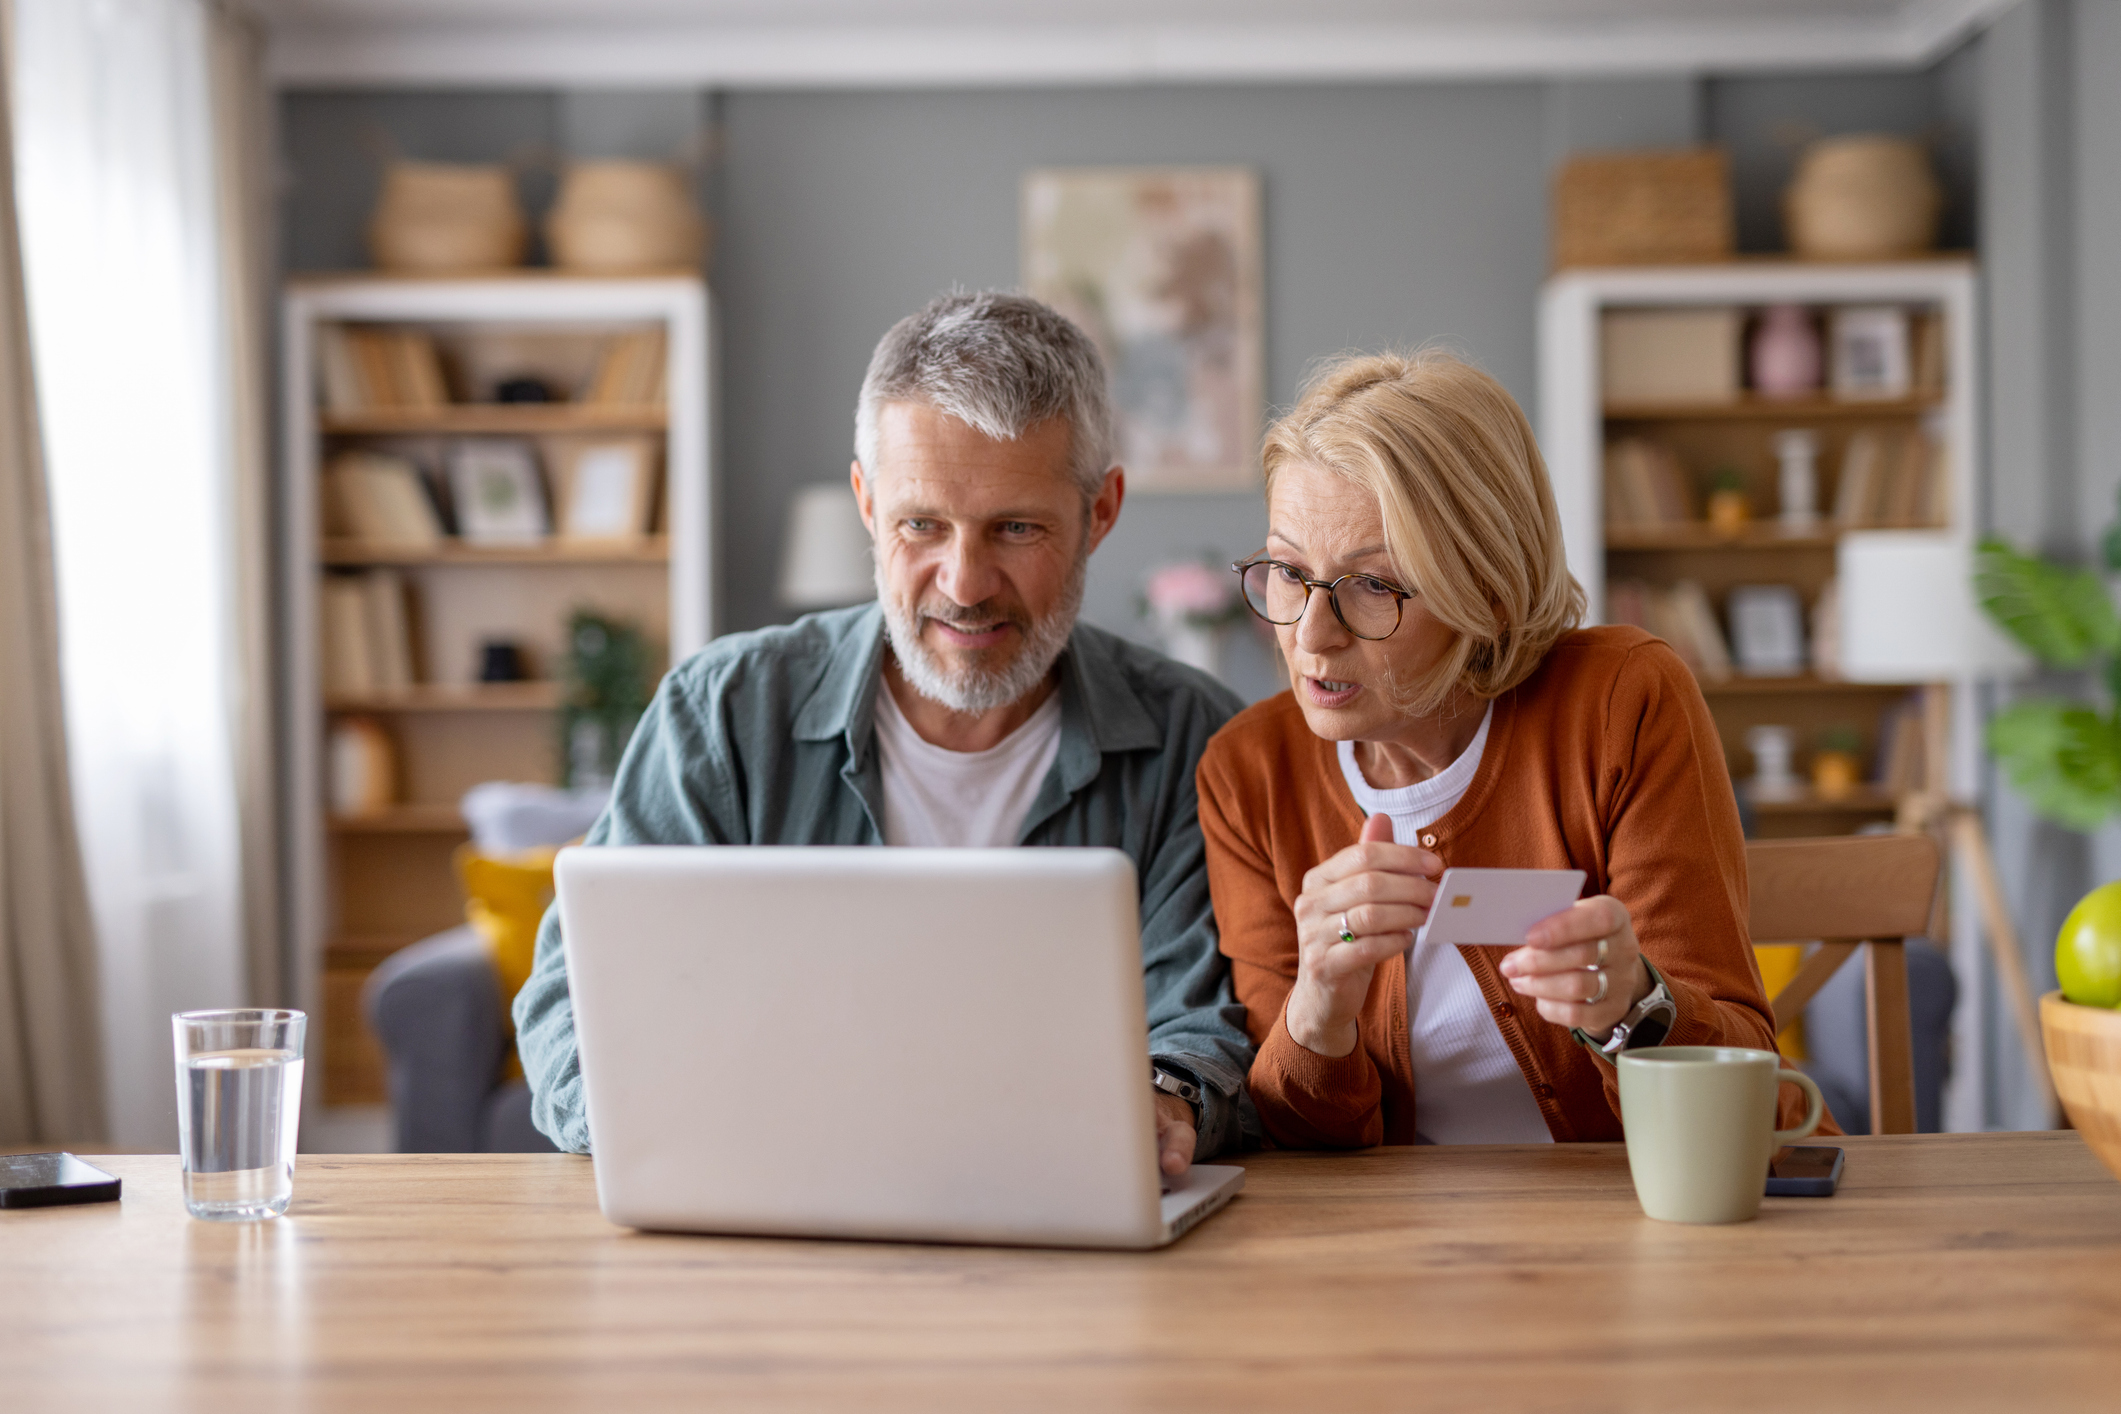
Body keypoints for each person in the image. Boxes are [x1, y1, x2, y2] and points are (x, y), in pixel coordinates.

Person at [514, 291, 1256, 1173]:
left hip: (1061, 1204)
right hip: (770, 1196)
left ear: (1100, 512)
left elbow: (1201, 1024)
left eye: (1016, 529)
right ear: (867, 504)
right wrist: (678, 1126)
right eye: (921, 525)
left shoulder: (1198, 742)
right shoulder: (721, 714)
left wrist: (1167, 1104)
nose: (965, 583)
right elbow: (573, 1005)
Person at [1196, 351, 1831, 1148]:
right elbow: (1298, 1147)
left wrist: (1632, 1005)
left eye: (1375, 586)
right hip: (1394, 1230)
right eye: (1288, 572)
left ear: (1488, 592)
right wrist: (1317, 1013)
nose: (1310, 636)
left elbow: (1750, 1100)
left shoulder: (1620, 702)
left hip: (1643, 1205)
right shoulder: (1248, 771)